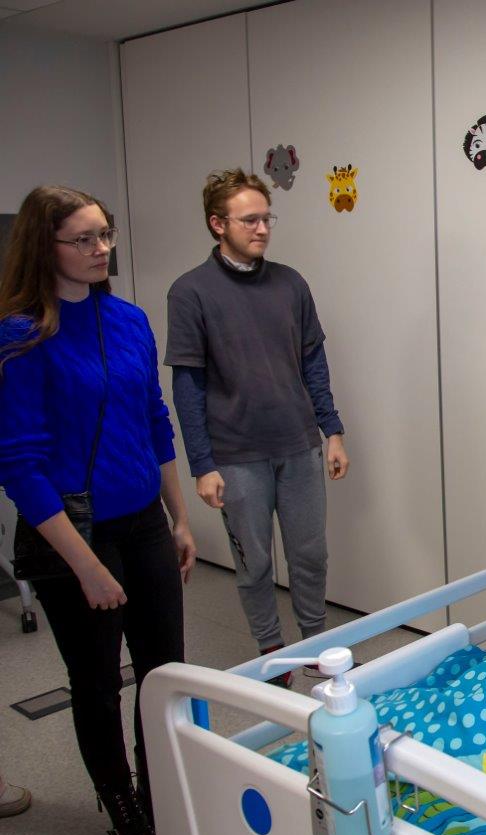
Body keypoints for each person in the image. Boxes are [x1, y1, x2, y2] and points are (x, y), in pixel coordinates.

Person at [0, 186, 195, 835]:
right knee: (98, 683)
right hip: (74, 535)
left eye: (105, 234)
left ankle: (160, 793)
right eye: (83, 239)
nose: (101, 248)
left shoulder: (130, 320)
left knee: (164, 671)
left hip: (144, 521)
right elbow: (20, 466)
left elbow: (155, 422)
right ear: (45, 246)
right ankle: (124, 813)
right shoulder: (23, 335)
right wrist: (84, 567)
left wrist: (179, 518)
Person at [165, 169, 348, 686]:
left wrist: (332, 430)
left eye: (267, 218)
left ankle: (314, 645)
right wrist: (202, 465)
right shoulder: (190, 292)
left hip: (297, 443)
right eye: (249, 220)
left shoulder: (291, 283)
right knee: (255, 563)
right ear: (217, 223)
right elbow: (188, 386)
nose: (262, 229)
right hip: (235, 453)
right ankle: (271, 650)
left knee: (310, 554)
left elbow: (314, 363)